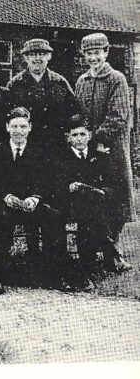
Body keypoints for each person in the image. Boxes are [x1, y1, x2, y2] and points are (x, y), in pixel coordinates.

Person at [0, 107, 62, 293]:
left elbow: (46, 181)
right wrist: (6, 196)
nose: (19, 130)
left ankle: (51, 273)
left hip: (30, 204)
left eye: (23, 126)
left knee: (54, 217)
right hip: (6, 203)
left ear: (30, 128)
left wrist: (35, 197)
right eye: (15, 126)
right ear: (7, 127)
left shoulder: (40, 152)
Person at [75, 32, 134, 272]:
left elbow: (118, 116)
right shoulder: (81, 81)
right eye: (89, 53)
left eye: (97, 53)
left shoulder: (116, 79)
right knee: (93, 198)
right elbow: (78, 113)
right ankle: (96, 249)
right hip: (88, 150)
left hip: (113, 150)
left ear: (106, 53)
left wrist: (95, 137)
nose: (93, 58)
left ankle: (115, 254)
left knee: (116, 199)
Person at [52, 115, 121, 290]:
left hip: (96, 206)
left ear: (89, 136)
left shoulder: (100, 157)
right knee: (89, 210)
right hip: (70, 205)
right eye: (74, 135)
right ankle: (108, 250)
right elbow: (55, 187)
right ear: (68, 138)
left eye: (82, 134)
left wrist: (103, 191)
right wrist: (69, 186)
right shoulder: (61, 159)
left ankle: (84, 272)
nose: (79, 139)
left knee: (91, 209)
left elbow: (113, 184)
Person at [7, 39, 78, 152]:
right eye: (33, 54)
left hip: (55, 145)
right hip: (26, 146)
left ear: (49, 57)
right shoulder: (15, 84)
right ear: (26, 58)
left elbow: (74, 113)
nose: (37, 58)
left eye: (42, 54)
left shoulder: (60, 82)